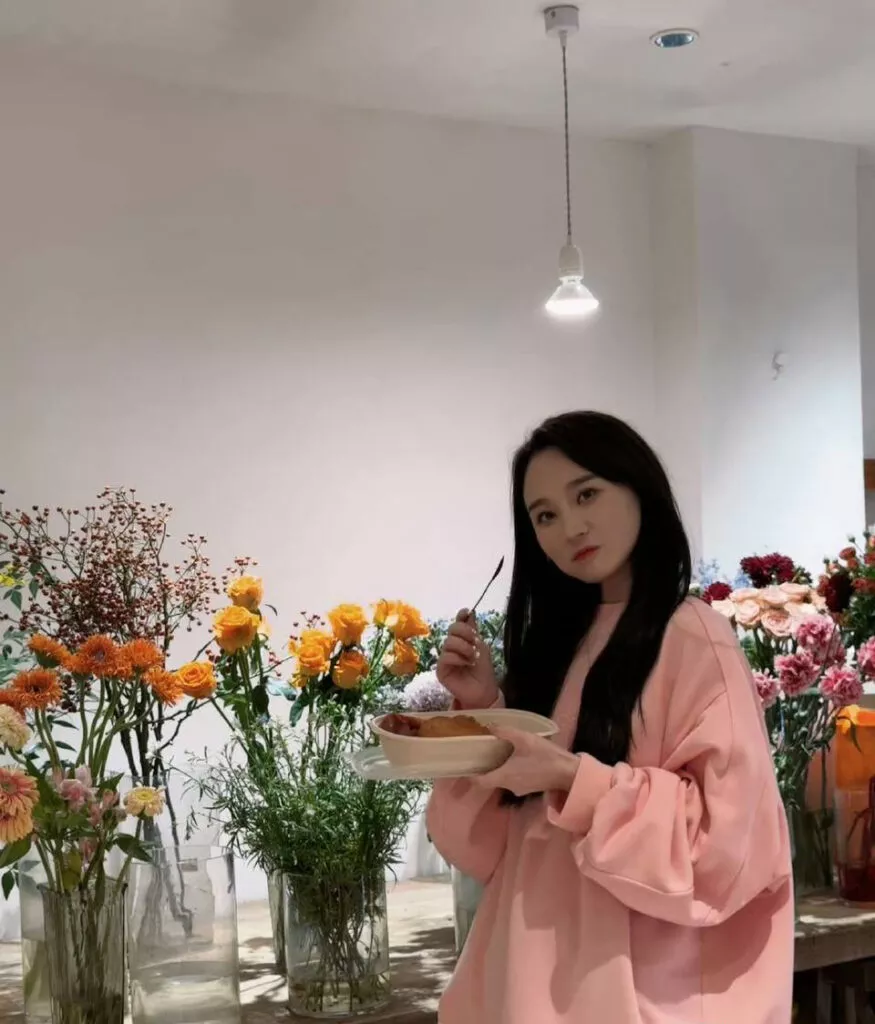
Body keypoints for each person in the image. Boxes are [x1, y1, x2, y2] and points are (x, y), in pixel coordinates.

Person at [427, 411, 793, 1024]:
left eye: (586, 494)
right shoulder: (557, 645)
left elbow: (730, 845)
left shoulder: (693, 635)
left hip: (639, 991)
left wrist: (572, 778)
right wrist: (484, 708)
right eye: (545, 515)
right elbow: (490, 847)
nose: (571, 527)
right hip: (527, 976)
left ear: (636, 485)